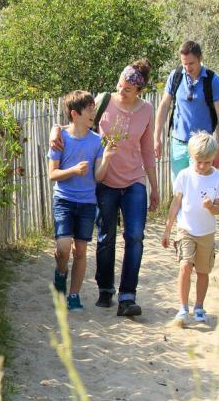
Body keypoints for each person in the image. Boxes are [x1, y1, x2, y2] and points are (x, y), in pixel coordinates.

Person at [50, 60, 159, 318]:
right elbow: (76, 120)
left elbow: (147, 151)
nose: (122, 91)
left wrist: (154, 187)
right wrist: (56, 128)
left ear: (139, 91)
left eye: (128, 89)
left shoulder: (147, 110)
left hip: (134, 180)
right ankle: (106, 289)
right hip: (104, 181)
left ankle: (127, 296)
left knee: (135, 236)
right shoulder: (103, 100)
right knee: (105, 237)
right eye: (120, 85)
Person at [48, 91, 116, 312]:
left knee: (80, 250)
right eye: (89, 110)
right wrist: (74, 170)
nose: (93, 114)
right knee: (63, 247)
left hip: (87, 202)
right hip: (64, 200)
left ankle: (74, 295)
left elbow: (98, 176)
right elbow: (52, 174)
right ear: (75, 114)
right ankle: (60, 273)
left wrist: (106, 157)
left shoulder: (96, 141)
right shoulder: (60, 139)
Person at [162, 131, 219, 325]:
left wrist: (210, 207)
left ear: (213, 159)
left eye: (207, 162)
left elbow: (218, 210)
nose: (202, 166)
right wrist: (167, 230)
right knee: (184, 266)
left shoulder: (218, 178)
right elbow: (176, 204)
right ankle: (183, 308)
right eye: (198, 161)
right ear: (191, 157)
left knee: (203, 272)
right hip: (186, 229)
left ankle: (199, 306)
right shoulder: (184, 175)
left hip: (207, 232)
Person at [154, 41, 219, 181]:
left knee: (199, 188)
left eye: (191, 63)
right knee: (178, 191)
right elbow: (164, 106)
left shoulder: (212, 80)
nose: (187, 67)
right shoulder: (175, 76)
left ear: (200, 58)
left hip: (202, 147)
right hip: (178, 144)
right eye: (184, 63)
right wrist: (156, 138)